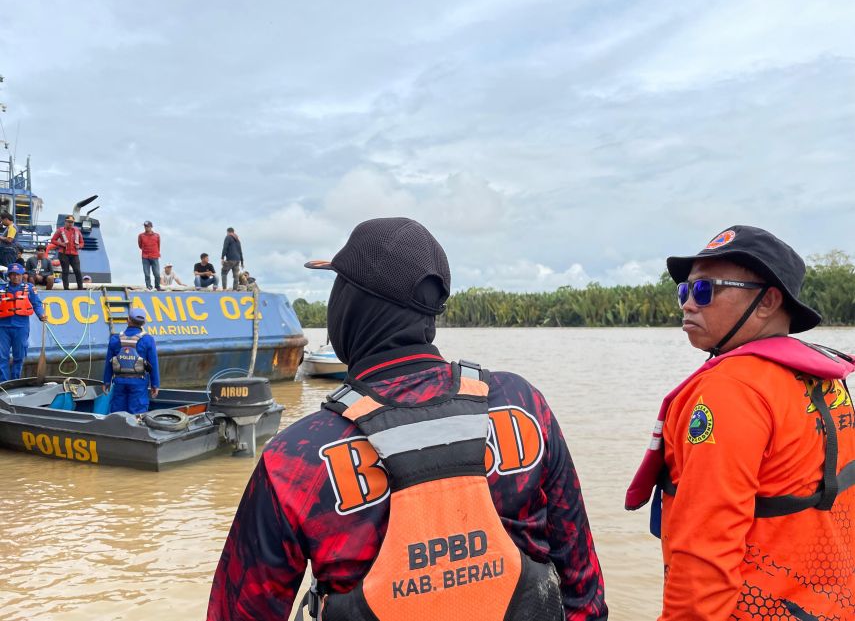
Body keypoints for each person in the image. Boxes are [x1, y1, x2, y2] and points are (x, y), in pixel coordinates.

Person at [207, 217, 607, 621]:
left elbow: (238, 612)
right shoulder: (524, 405)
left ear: (353, 302)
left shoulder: (296, 458)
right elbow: (583, 588)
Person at [625, 225, 855, 621]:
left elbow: (704, 555)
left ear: (767, 301)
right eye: (685, 291)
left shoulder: (728, 392)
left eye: (704, 290)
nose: (687, 304)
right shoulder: (826, 380)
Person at [103, 307, 159, 414]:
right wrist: (155, 385)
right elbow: (153, 365)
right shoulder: (148, 340)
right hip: (139, 383)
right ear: (144, 323)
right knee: (137, 413)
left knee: (118, 413)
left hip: (119, 382)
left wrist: (106, 382)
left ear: (128, 320)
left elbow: (109, 362)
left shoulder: (115, 339)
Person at [0, 263, 46, 381]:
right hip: (3, 327)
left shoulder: (29, 288)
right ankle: (3, 384)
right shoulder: (1, 288)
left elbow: (36, 303)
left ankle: (15, 381)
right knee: (1, 357)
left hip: (21, 327)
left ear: (22, 275)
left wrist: (41, 314)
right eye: (13, 275)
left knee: (19, 356)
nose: (16, 277)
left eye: (18, 274)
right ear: (9, 276)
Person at [48, 214, 84, 290]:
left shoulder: (77, 231)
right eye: (69, 222)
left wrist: (79, 246)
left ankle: (80, 287)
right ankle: (66, 288)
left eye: (72, 222)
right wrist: (61, 244)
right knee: (65, 271)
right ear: (65, 222)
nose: (70, 223)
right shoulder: (60, 230)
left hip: (74, 254)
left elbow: (82, 243)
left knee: (77, 271)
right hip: (63, 254)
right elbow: (53, 240)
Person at [138, 220, 162, 291]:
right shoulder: (141, 236)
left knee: (157, 274)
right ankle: (149, 286)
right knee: (147, 274)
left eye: (147, 226)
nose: (146, 228)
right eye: (145, 226)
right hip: (145, 257)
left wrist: (156, 252)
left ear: (151, 227)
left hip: (154, 256)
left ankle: (157, 286)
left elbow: (158, 245)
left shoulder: (157, 235)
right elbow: (140, 245)